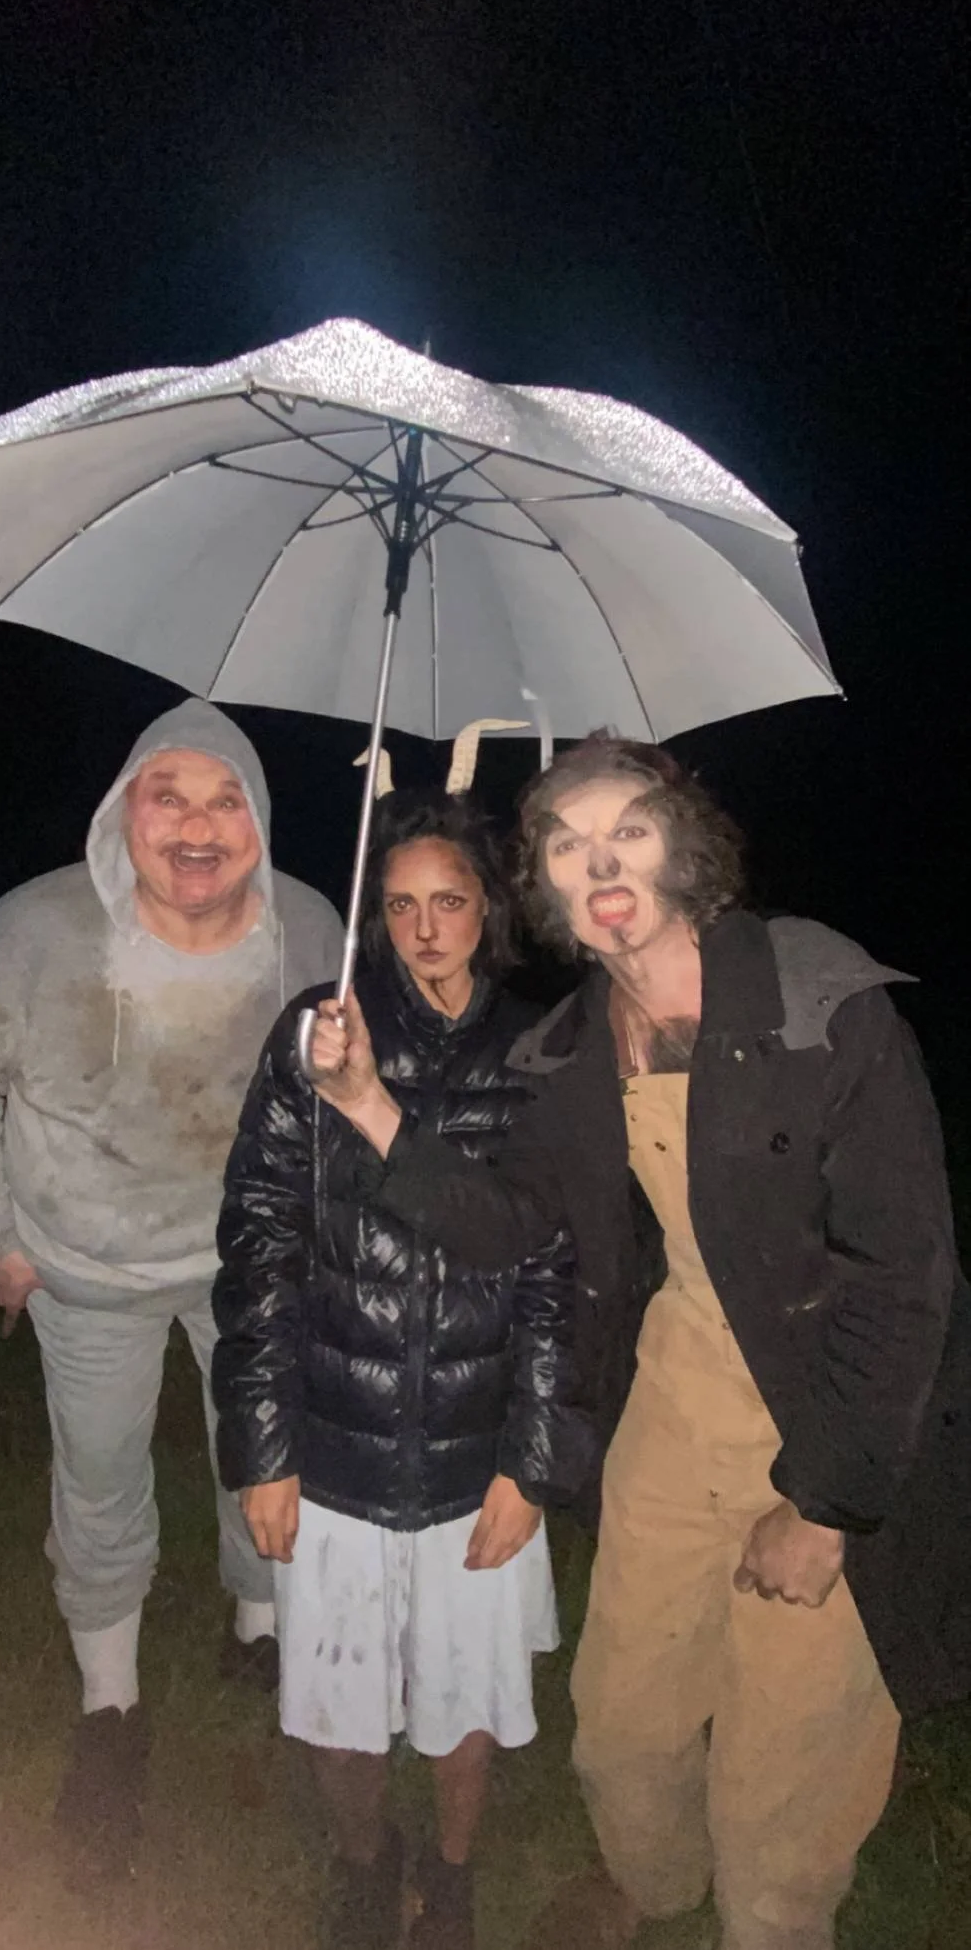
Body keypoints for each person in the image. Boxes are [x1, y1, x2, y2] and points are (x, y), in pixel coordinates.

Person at [305, 734, 971, 1950]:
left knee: (779, 1786)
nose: (598, 860)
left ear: (685, 847)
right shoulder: (568, 1049)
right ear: (544, 886)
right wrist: (368, 1108)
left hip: (830, 1413)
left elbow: (906, 1274)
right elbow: (510, 1220)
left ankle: (770, 1926)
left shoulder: (818, 1002)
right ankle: (651, 1894)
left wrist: (825, 1507)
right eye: (564, 843)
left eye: (628, 829)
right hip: (675, 1409)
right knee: (619, 1727)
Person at [0, 698, 344, 1886]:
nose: (198, 829)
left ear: (259, 820)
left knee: (260, 1457)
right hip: (83, 1267)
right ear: (124, 812)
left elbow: (343, 1101)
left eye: (226, 801)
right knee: (99, 1471)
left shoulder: (312, 927)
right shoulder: (36, 931)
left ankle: (257, 1625)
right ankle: (110, 1706)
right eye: (171, 797)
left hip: (251, 1263)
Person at [213, 790, 590, 1950]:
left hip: (476, 1449)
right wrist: (264, 1450)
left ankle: (456, 1867)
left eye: (450, 902)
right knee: (336, 1697)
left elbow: (556, 1276)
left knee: (463, 1697)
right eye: (401, 906)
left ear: (489, 912)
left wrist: (529, 1464)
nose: (426, 928)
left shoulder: (544, 1051)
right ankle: (366, 1867)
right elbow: (259, 1241)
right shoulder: (314, 1038)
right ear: (375, 917)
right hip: (336, 1442)